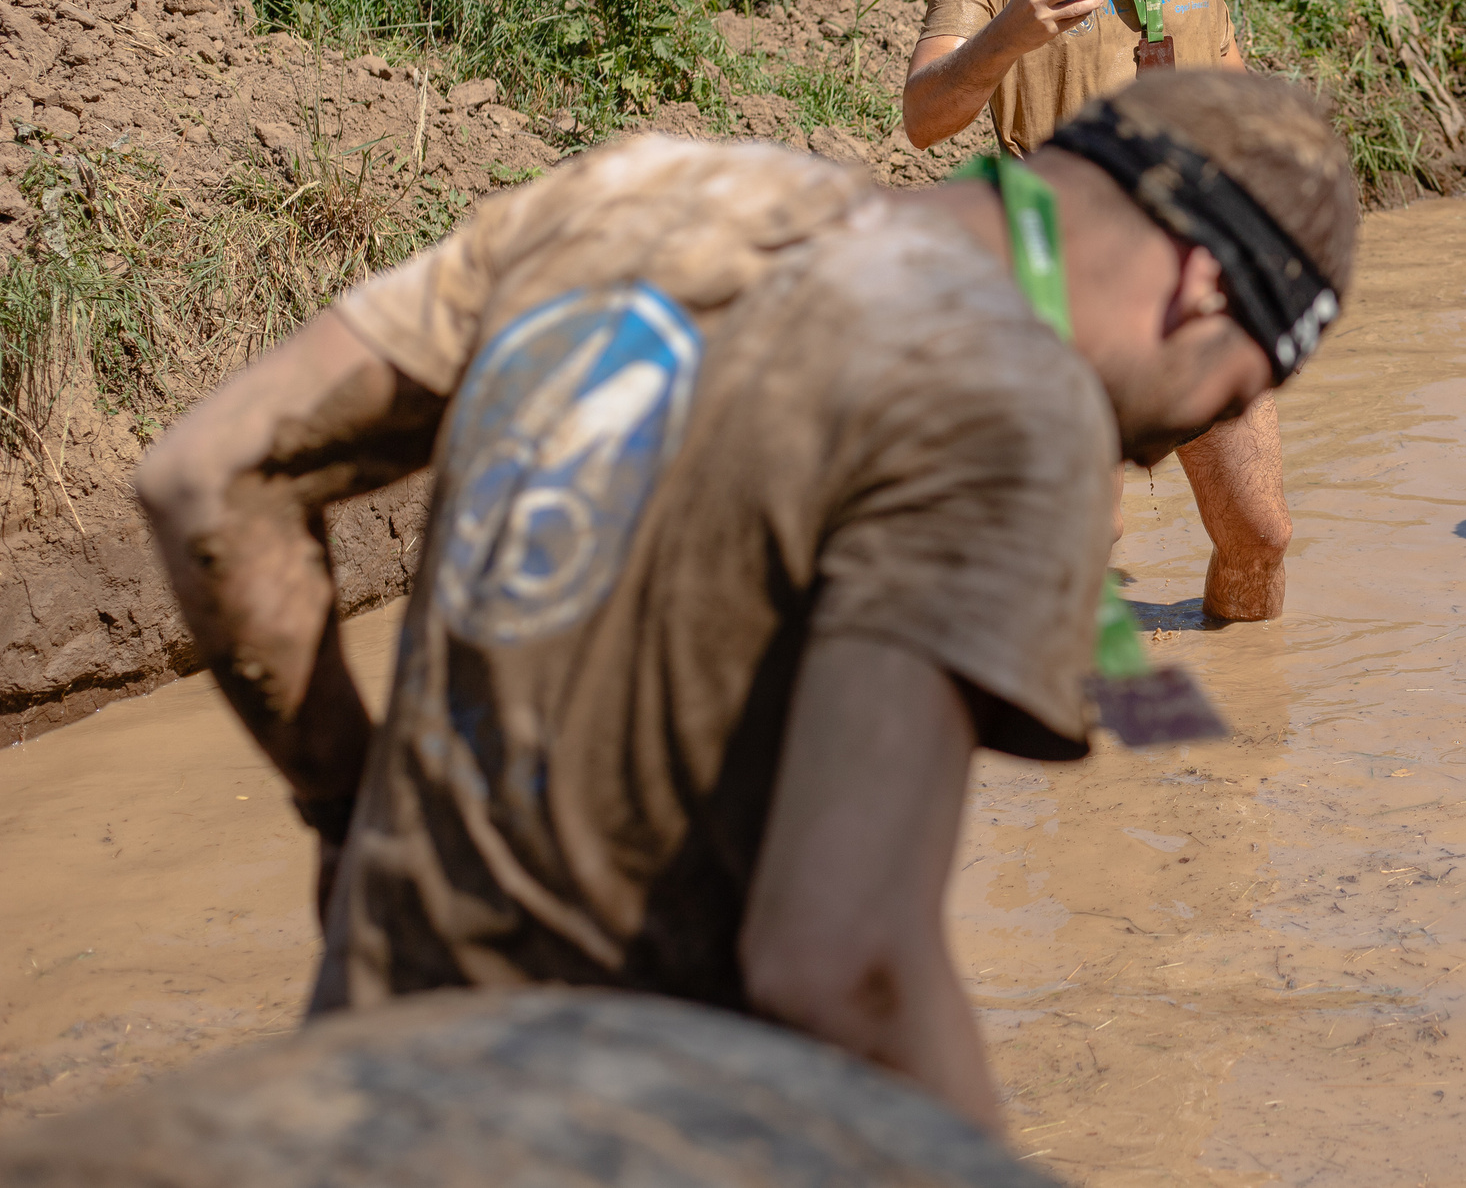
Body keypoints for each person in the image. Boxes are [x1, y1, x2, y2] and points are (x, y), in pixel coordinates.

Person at [133, 70, 1357, 1135]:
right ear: (1202, 286)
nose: (1160, 452)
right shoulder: (1011, 395)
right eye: (1221, 399)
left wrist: (351, 806)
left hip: (366, 1089)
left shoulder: (639, 192)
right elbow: (844, 969)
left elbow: (209, 481)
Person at [900, 0, 1294, 624]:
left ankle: (1246, 742)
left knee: (1260, 539)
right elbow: (922, 113)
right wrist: (1010, 36)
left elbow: (1224, 71)